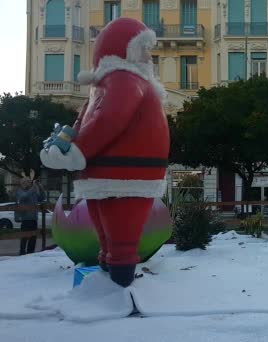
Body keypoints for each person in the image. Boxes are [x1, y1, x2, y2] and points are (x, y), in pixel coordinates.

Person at [40, 17, 169, 287]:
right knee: (123, 235)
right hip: (129, 175)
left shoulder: (104, 85)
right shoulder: (124, 79)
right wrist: (78, 148)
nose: (149, 56)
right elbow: (111, 119)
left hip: (107, 172)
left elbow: (86, 121)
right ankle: (120, 287)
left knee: (107, 233)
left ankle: (107, 282)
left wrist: (76, 149)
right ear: (126, 50)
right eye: (143, 48)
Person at [15, 172, 45, 255]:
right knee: (24, 237)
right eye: (27, 182)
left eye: (29, 181)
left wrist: (40, 186)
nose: (29, 183)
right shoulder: (20, 191)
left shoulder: (33, 190)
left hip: (33, 218)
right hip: (25, 218)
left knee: (33, 236)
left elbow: (42, 198)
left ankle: (30, 253)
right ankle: (22, 252)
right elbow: (24, 196)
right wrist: (34, 188)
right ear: (23, 183)